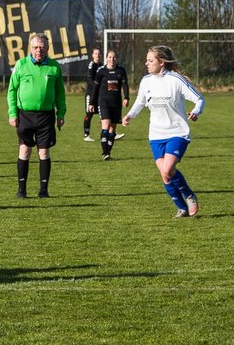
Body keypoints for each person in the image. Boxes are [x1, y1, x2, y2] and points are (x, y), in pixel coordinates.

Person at [122, 45, 205, 217]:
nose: (146, 63)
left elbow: (199, 99)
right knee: (165, 176)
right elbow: (140, 101)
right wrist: (130, 114)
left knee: (168, 170)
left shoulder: (176, 80)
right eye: (147, 60)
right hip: (156, 135)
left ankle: (189, 195)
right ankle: (181, 208)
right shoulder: (146, 81)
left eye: (150, 60)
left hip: (177, 132)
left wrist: (196, 112)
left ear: (161, 62)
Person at [7, 33, 67, 198]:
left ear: (47, 48)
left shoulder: (54, 67)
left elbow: (60, 93)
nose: (38, 50)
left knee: (44, 152)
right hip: (24, 115)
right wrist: (12, 113)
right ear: (30, 48)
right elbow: (11, 90)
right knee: (24, 150)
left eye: (42, 47)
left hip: (46, 116)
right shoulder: (21, 65)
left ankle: (44, 191)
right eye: (35, 47)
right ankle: (21, 190)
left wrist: (61, 113)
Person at [89, 49, 130, 160]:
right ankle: (104, 152)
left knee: (112, 129)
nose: (112, 59)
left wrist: (126, 97)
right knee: (106, 126)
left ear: (116, 58)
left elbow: (125, 85)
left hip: (116, 104)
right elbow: (95, 88)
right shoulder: (101, 71)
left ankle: (108, 153)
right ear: (106, 58)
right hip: (103, 103)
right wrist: (91, 103)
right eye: (110, 57)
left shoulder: (121, 71)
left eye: (114, 57)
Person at [82, 47, 102, 141]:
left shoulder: (101, 65)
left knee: (103, 113)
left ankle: (111, 132)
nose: (97, 55)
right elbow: (89, 79)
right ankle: (86, 135)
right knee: (89, 114)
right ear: (92, 55)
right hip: (90, 94)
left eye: (99, 53)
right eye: (96, 53)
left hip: (99, 94)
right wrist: (96, 86)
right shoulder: (92, 65)